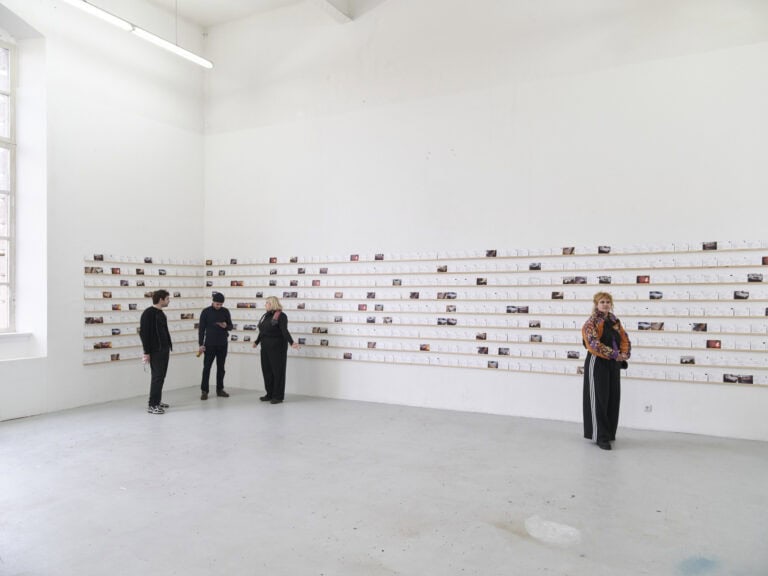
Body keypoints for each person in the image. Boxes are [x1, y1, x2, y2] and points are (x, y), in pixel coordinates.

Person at [581, 292, 631, 450]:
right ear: (596, 304)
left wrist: (625, 354)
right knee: (599, 400)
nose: (605, 304)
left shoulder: (614, 320)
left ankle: (609, 433)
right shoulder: (591, 322)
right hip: (598, 362)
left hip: (613, 363)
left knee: (613, 398)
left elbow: (624, 338)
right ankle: (600, 436)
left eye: (608, 302)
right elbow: (593, 344)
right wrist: (615, 354)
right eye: (602, 302)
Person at [252, 296, 299, 404]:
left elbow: (284, 330)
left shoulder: (281, 316)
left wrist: (291, 342)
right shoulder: (265, 316)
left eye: (267, 303)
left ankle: (278, 396)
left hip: (277, 348)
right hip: (265, 348)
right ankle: (269, 394)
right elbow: (262, 331)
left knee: (278, 372)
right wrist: (257, 341)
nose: (265, 305)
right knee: (267, 371)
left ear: (272, 304)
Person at [139, 289, 172, 415]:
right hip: (155, 350)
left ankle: (157, 401)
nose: (169, 301)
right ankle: (152, 405)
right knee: (157, 377)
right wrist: (146, 352)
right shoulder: (148, 313)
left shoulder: (160, 313)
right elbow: (144, 333)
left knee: (161, 377)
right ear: (161, 299)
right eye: (167, 298)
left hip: (164, 349)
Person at [198, 292, 234, 400]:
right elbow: (201, 330)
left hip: (223, 344)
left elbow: (231, 326)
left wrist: (225, 325)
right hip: (209, 344)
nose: (219, 306)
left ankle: (220, 389)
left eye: (220, 304)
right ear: (212, 301)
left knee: (221, 368)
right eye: (217, 304)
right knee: (207, 368)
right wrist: (201, 344)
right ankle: (204, 391)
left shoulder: (225, 311)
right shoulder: (205, 312)